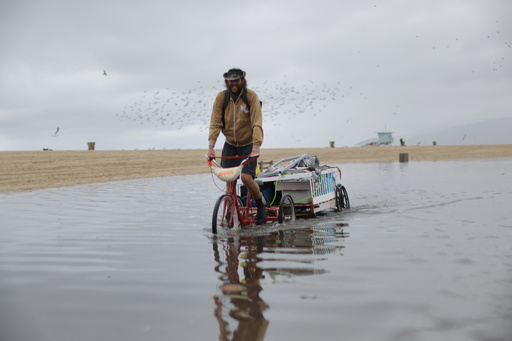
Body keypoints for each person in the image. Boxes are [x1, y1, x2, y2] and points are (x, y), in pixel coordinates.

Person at [208, 68, 266, 224]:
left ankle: (260, 204)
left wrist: (256, 147)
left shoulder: (251, 97)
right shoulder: (221, 98)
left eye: (237, 80)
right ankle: (229, 211)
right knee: (229, 180)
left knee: (246, 178)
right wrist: (211, 146)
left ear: (242, 81)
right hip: (230, 145)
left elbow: (256, 123)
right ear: (227, 82)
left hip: (248, 145)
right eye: (231, 81)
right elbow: (215, 123)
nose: (234, 84)